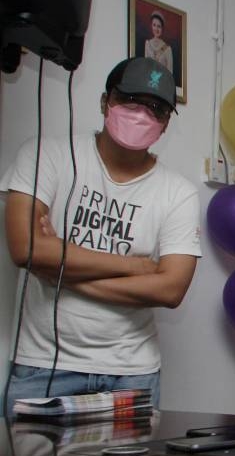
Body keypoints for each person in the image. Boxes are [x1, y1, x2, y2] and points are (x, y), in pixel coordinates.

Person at [2, 57, 200, 413]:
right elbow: (27, 247)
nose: (142, 115)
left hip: (132, 375)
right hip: (43, 366)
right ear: (105, 101)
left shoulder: (178, 192)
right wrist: (137, 267)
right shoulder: (47, 155)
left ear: (166, 123)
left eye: (156, 109)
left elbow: (170, 289)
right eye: (131, 101)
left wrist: (60, 270)